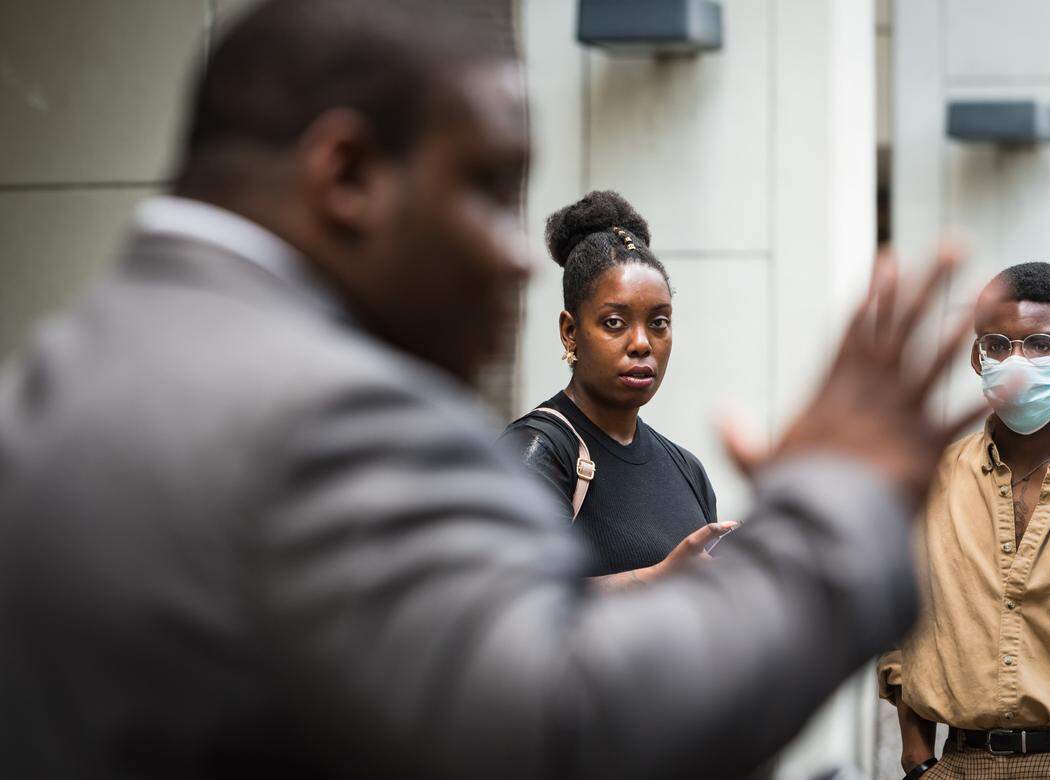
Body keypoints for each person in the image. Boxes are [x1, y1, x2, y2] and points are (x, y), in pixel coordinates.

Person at [0, 0, 977, 776]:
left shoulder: (69, 369)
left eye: (658, 322)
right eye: (487, 190)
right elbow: (560, 728)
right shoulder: (323, 419)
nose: (517, 259)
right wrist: (834, 518)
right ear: (345, 174)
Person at [878, 262, 1050, 780]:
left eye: (1040, 345)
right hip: (958, 763)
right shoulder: (930, 480)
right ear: (978, 359)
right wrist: (916, 755)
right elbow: (896, 626)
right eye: (997, 345)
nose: (1016, 362)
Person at [498, 191, 731, 591]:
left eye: (658, 322)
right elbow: (513, 604)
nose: (642, 343)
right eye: (614, 323)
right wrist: (656, 580)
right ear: (570, 332)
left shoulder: (687, 470)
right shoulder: (538, 451)